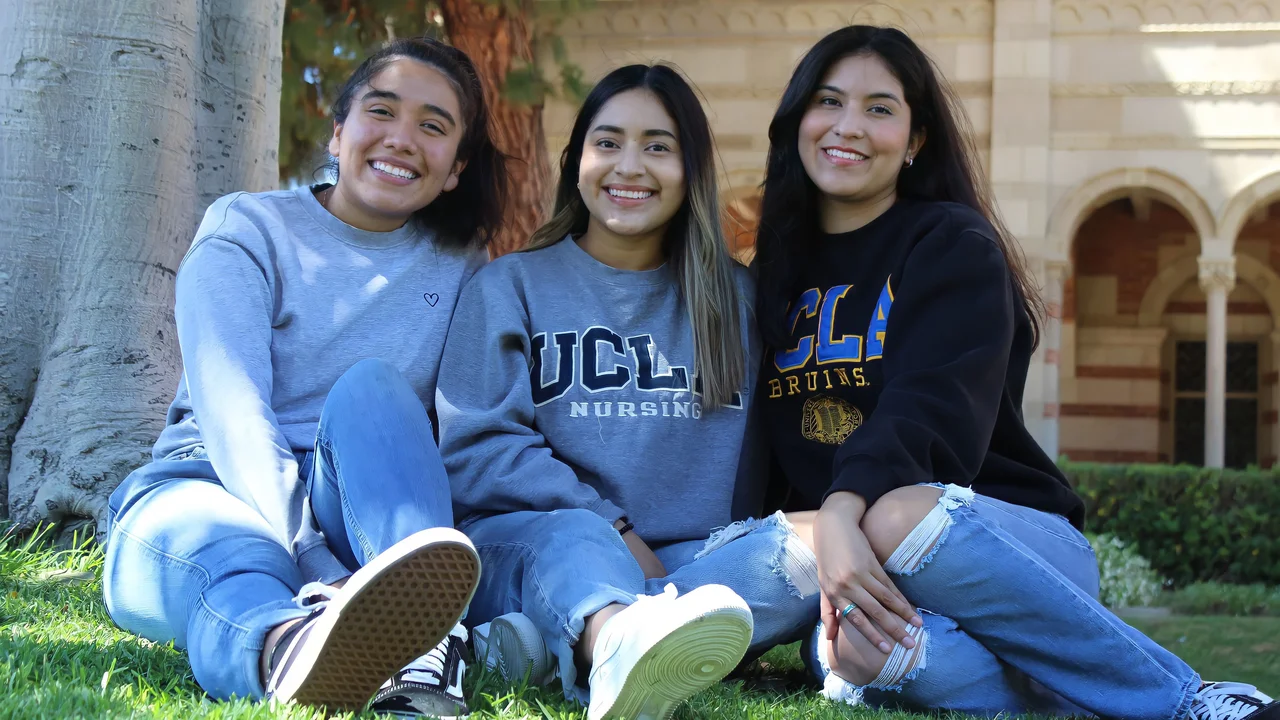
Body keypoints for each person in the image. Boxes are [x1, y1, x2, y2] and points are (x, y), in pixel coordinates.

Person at [753, 25, 1279, 720]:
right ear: (798, 120)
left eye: (880, 107)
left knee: (898, 511)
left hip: (1005, 542)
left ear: (915, 141)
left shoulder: (952, 244)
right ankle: (1058, 694)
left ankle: (1185, 699)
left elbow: (927, 406)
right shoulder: (772, 277)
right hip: (860, 561)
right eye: (829, 101)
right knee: (850, 652)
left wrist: (843, 513)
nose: (849, 125)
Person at [102, 37, 508, 718]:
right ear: (338, 131)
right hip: (212, 486)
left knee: (374, 390)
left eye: (433, 127)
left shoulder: (462, 263)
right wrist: (319, 567)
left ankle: (417, 646)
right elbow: (234, 416)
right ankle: (291, 648)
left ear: (456, 169)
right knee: (236, 559)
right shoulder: (248, 228)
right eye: (381, 112)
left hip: (361, 518)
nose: (403, 139)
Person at [435, 63, 821, 720]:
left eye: (658, 147)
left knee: (819, 547)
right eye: (608, 143)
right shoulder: (511, 287)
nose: (630, 166)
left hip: (689, 555)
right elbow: (478, 448)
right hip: (541, 542)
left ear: (690, 169)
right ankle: (618, 638)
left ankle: (581, 643)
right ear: (576, 161)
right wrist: (610, 524)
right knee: (575, 543)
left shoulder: (737, 300)